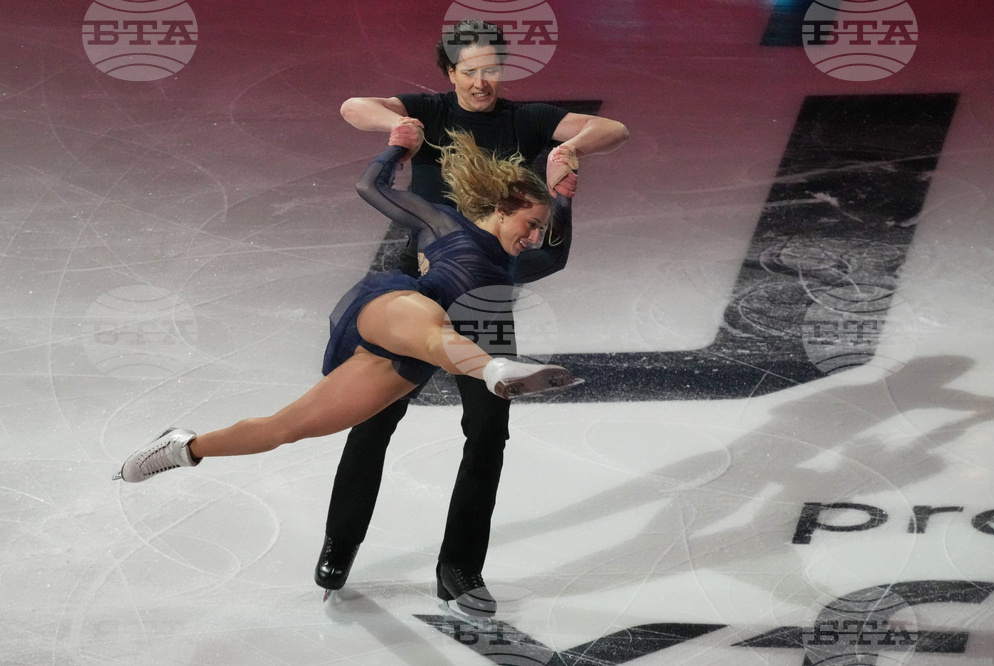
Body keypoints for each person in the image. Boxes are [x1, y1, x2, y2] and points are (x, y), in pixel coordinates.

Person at [324, 19, 628, 618]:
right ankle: (341, 544)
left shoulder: (527, 119)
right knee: (373, 414)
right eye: (471, 72)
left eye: (493, 70)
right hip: (412, 281)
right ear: (450, 72)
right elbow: (352, 106)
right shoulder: (429, 111)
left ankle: (460, 568)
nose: (483, 83)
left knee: (487, 429)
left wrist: (572, 150)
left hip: (483, 291)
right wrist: (395, 126)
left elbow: (612, 128)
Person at [113, 127, 580, 489]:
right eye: (531, 223)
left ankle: (183, 447)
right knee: (433, 328)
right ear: (502, 207)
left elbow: (555, 258)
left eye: (541, 228)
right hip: (395, 307)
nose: (536, 236)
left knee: (287, 428)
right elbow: (370, 186)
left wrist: (563, 199)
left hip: (406, 358)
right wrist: (398, 148)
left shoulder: (512, 266)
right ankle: (496, 370)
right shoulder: (444, 224)